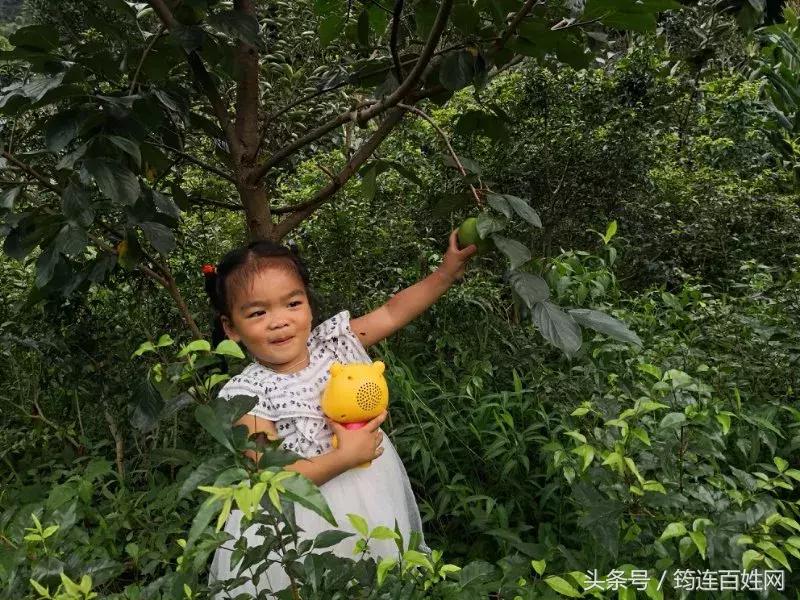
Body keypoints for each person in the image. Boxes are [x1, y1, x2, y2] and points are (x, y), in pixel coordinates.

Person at [204, 231, 476, 597]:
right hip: (302, 520)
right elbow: (275, 477)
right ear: (231, 328)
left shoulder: (331, 342)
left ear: (309, 304)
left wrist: (445, 272)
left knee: (379, 577)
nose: (279, 320)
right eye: (258, 312)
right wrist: (345, 456)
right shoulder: (245, 395)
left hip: (370, 487)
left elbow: (393, 311)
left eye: (292, 303)